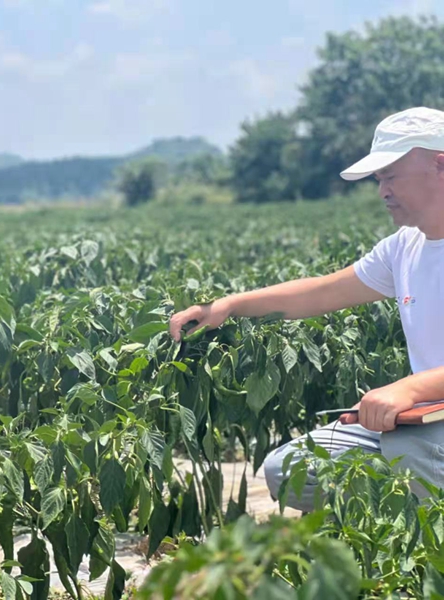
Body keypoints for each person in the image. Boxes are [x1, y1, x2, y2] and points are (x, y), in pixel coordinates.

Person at [169, 106, 444, 512]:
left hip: (423, 420)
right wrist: (228, 306)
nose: (382, 190)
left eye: (391, 175)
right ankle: (403, 535)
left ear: (440, 164)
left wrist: (408, 388)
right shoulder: (405, 247)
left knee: (412, 453)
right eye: (378, 179)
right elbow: (318, 293)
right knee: (292, 467)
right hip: (426, 417)